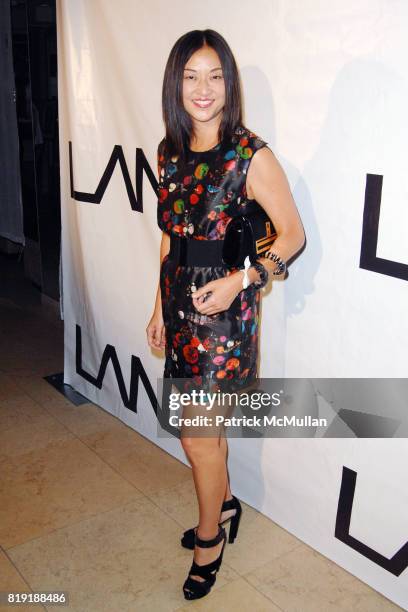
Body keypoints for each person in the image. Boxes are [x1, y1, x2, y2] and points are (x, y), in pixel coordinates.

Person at [146, 29, 305, 601]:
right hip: (180, 307)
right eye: (191, 76)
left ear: (229, 84)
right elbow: (171, 238)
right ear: (176, 84)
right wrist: (158, 306)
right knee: (199, 439)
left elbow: (292, 235)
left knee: (198, 437)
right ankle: (228, 504)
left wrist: (243, 279)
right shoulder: (169, 150)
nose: (203, 89)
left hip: (224, 320)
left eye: (215, 76)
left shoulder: (250, 154)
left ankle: (209, 539)